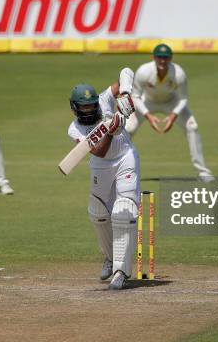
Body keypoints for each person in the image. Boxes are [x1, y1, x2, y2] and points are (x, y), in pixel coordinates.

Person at [67, 67, 138, 290]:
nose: (88, 111)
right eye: (84, 107)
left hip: (125, 158)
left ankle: (121, 271)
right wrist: (111, 129)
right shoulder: (75, 129)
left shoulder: (106, 99)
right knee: (98, 213)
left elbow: (126, 72)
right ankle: (109, 256)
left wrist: (125, 94)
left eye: (91, 106)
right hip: (100, 164)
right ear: (75, 108)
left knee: (123, 211)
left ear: (97, 103)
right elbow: (99, 151)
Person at [126, 44, 215, 182]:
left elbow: (184, 98)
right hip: (147, 101)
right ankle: (118, 169)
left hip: (171, 102)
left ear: (170, 58)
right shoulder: (144, 71)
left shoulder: (178, 73)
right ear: (154, 58)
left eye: (166, 58)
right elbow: (135, 96)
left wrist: (174, 115)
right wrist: (148, 116)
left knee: (192, 126)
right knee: (128, 128)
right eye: (159, 57)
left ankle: (203, 172)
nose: (162, 61)